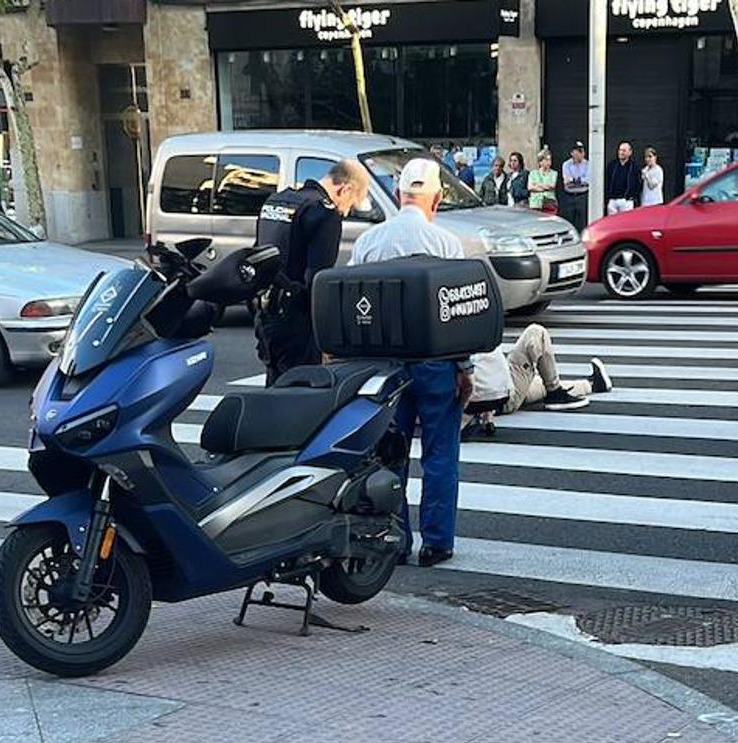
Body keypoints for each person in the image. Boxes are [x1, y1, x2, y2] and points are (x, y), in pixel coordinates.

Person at [348, 158, 472, 568]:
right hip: (436, 365)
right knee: (440, 456)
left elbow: (349, 302)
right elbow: (457, 316)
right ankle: (437, 543)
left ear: (400, 195)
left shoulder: (370, 242)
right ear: (435, 198)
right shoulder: (446, 244)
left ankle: (394, 538)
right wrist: (465, 370)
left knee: (388, 453)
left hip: (385, 368)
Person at [253, 159, 370, 385]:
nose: (345, 212)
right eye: (350, 204)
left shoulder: (277, 201)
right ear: (344, 189)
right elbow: (318, 282)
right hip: (298, 322)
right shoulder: (324, 213)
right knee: (299, 398)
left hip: (266, 318)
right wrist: (327, 337)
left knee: (274, 392)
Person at [472, 325, 612, 416]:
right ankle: (555, 392)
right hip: (499, 393)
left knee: (539, 384)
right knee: (536, 333)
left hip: (497, 387)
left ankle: (593, 385)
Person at [560, 141, 590, 231]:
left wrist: (573, 180)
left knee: (583, 222)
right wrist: (579, 180)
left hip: (582, 196)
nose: (581, 154)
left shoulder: (588, 164)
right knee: (569, 222)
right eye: (579, 151)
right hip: (569, 196)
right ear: (572, 153)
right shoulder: (566, 164)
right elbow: (566, 181)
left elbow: (587, 180)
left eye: (582, 151)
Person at [605, 141, 640, 214]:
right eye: (620, 150)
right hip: (613, 201)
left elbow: (638, 184)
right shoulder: (612, 165)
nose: (621, 152)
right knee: (612, 223)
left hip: (626, 201)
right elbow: (606, 181)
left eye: (624, 150)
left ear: (630, 152)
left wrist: (632, 197)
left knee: (626, 224)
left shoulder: (634, 167)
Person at [528, 148, 558, 214]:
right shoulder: (533, 173)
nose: (549, 162)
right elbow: (530, 187)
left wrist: (537, 184)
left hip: (549, 203)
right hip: (535, 203)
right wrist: (545, 187)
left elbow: (551, 186)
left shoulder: (554, 173)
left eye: (550, 160)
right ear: (540, 162)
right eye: (546, 160)